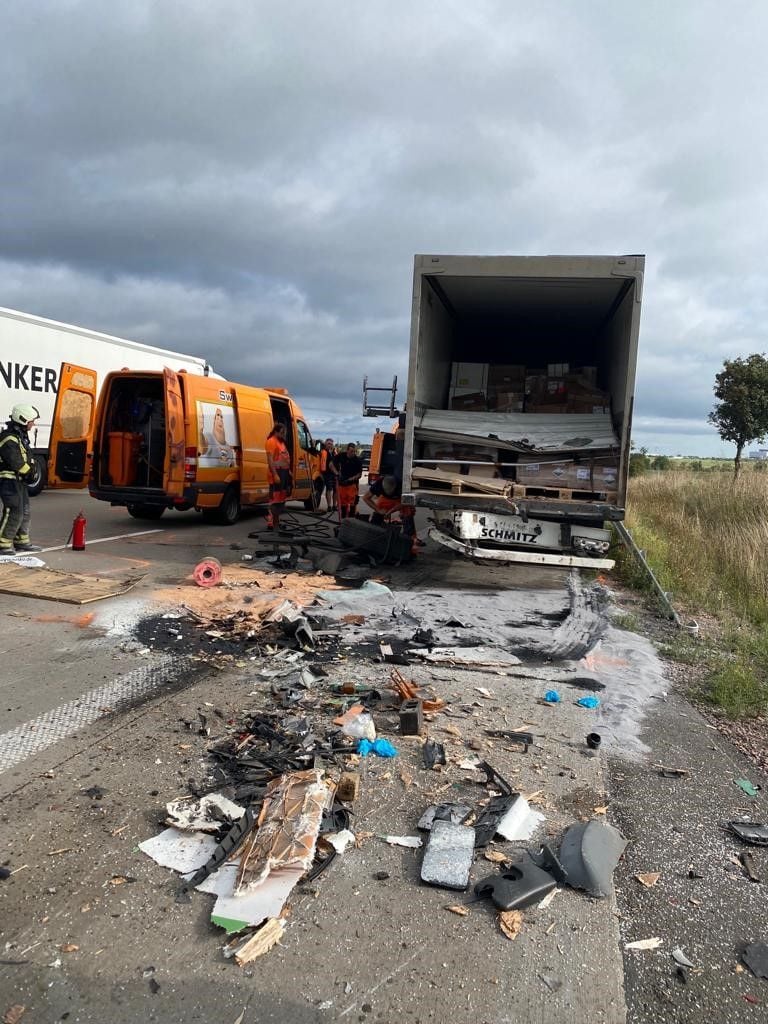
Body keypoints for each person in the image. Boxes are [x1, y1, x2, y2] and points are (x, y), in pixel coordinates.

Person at [0, 404, 43, 554]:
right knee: (13, 511)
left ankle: (22, 542)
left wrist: (32, 472)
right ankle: (2, 544)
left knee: (24, 511)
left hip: (19, 481)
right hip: (9, 481)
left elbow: (26, 459)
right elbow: (15, 461)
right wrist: (29, 473)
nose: (33, 424)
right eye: (31, 421)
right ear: (23, 420)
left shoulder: (20, 437)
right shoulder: (8, 438)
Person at [362, 474, 417, 544]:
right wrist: (378, 510)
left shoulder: (403, 484)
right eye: (387, 490)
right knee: (378, 514)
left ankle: (409, 542)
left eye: (391, 490)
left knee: (408, 513)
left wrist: (390, 511)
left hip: (402, 499)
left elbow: (406, 501)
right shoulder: (378, 483)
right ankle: (372, 538)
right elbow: (365, 498)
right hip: (385, 499)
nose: (389, 492)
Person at [264, 422, 291, 531]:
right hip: (276, 475)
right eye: (282, 432)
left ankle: (276, 522)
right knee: (274, 500)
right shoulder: (271, 442)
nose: (284, 434)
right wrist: (275, 475)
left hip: (284, 474)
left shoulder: (281, 443)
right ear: (276, 432)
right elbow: (270, 460)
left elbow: (285, 458)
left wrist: (289, 472)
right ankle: (271, 523)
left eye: (284, 433)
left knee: (280, 500)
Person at [336, 443, 363, 519]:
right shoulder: (341, 456)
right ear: (347, 450)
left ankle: (351, 520)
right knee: (343, 504)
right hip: (342, 484)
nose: (353, 453)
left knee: (352, 504)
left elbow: (359, 474)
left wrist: (350, 479)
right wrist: (337, 473)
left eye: (354, 451)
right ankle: (343, 521)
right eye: (351, 451)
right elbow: (331, 464)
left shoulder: (357, 460)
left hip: (352, 485)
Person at [320, 438, 339, 512]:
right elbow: (321, 463)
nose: (330, 445)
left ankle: (334, 505)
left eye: (331, 444)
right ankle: (329, 506)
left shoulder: (334, 452)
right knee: (329, 489)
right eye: (328, 444)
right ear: (325, 444)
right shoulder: (324, 452)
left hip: (335, 474)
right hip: (327, 474)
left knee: (336, 490)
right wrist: (321, 473)